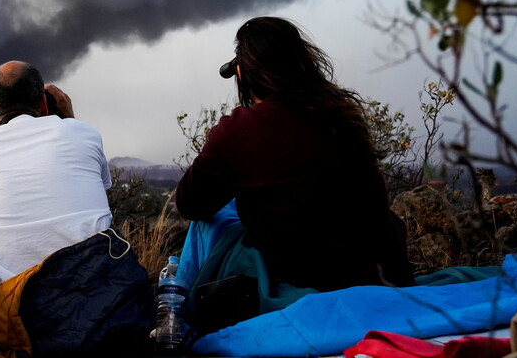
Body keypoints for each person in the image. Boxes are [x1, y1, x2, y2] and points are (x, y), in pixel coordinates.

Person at [175, 17, 414, 316]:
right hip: (381, 270)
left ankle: (181, 314)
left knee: (211, 219)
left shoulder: (240, 128)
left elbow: (189, 204)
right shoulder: (341, 115)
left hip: (308, 275)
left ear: (242, 73)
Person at [0, 60, 153, 357]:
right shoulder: (82, 134)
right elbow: (101, 190)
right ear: (43, 102)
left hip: (6, 323)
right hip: (96, 315)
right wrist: (70, 119)